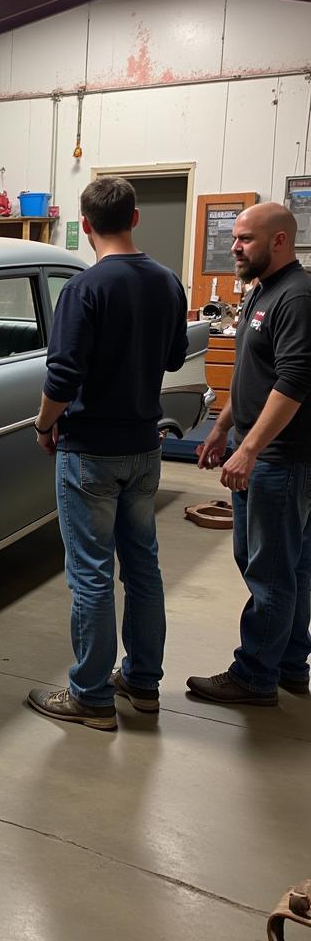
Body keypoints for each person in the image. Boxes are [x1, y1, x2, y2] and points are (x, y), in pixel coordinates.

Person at [27, 176, 189, 730]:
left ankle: (91, 697)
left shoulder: (84, 288)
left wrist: (44, 424)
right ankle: (143, 683)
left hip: (90, 450)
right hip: (145, 448)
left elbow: (63, 375)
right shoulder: (168, 283)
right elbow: (173, 359)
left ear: (87, 225)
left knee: (91, 574)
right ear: (136, 218)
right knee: (143, 566)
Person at [187, 203, 311, 705]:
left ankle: (255, 675)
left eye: (245, 239)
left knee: (268, 567)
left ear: (279, 241)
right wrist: (222, 428)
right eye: (235, 238)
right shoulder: (265, 289)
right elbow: (252, 377)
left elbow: (295, 380)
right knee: (293, 565)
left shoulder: (297, 297)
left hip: (280, 458)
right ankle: (287, 662)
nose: (234, 247)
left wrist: (251, 449)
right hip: (266, 450)